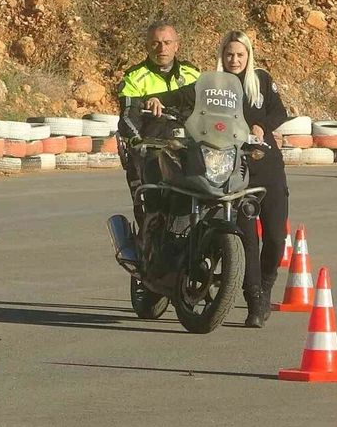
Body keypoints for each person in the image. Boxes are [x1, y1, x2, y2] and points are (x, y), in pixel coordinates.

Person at [147, 31, 289, 328]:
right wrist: (157, 98)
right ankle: (255, 301)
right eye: (229, 54)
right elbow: (183, 96)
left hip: (266, 165)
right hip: (235, 168)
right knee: (247, 238)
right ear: (221, 55)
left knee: (276, 237)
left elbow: (279, 111)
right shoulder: (210, 86)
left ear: (248, 56)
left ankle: (266, 283)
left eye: (240, 54)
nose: (234, 60)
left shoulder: (261, 80)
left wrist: (261, 126)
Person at [117, 21, 200, 226]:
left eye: (167, 42)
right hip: (154, 146)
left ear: (176, 45)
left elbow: (212, 107)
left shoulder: (192, 74)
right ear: (147, 46)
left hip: (189, 145)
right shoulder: (134, 77)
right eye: (155, 43)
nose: (162, 48)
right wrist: (137, 141)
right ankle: (150, 237)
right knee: (152, 208)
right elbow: (128, 116)